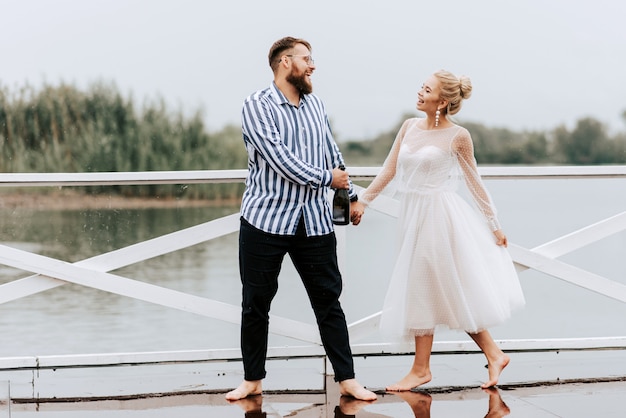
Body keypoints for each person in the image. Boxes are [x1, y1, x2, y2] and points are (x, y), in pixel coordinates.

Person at [351, 70, 525, 390]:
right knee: (444, 288)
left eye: (426, 89)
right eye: (421, 85)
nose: (419, 92)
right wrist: (363, 201)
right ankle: (494, 353)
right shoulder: (408, 126)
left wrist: (494, 225)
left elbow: (475, 184)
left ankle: (421, 369)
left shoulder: (458, 136)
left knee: (424, 286)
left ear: (442, 102)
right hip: (413, 216)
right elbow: (389, 169)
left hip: (440, 216)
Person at [225, 36, 377, 402]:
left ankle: (348, 380)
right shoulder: (257, 105)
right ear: (284, 63)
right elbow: (280, 161)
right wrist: (328, 179)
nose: (312, 65)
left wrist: (353, 194)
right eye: (306, 59)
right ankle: (252, 380)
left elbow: (332, 152)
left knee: (329, 300)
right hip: (265, 220)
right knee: (255, 302)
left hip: (314, 222)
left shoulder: (316, 105)